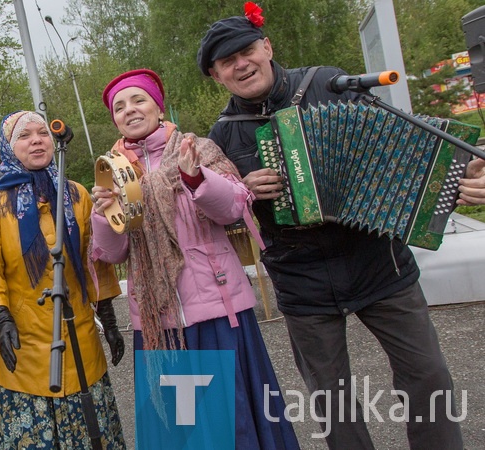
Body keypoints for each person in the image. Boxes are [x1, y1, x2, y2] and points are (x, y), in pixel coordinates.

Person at [199, 4, 483, 448]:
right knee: (332, 403)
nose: (241, 63)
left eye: (247, 50)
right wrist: (246, 191)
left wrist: (462, 172)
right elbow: (223, 216)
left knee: (427, 375)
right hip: (301, 279)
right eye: (226, 62)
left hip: (376, 260)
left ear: (267, 47)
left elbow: (400, 142)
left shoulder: (329, 85)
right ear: (217, 76)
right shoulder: (224, 137)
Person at [89, 69, 299, 448]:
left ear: (158, 105)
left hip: (217, 315)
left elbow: (235, 207)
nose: (130, 110)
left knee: (234, 424)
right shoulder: (114, 172)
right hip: (161, 327)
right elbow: (115, 252)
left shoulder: (196, 148)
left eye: (138, 100)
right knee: (188, 432)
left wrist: (196, 180)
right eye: (119, 107)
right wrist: (103, 214)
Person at [0, 110, 126, 449]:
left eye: (42, 133)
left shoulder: (76, 194)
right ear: (9, 148)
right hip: (22, 343)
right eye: (24, 135)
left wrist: (110, 321)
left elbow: (93, 262)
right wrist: (0, 315)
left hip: (79, 336)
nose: (37, 140)